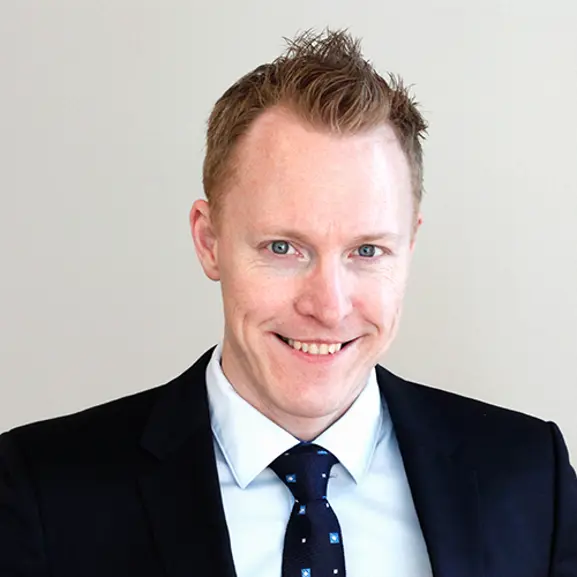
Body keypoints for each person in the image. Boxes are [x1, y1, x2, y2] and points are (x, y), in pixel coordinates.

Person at [1, 29, 576, 577]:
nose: (328, 307)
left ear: (409, 248)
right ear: (209, 241)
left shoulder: (530, 477)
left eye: (367, 251)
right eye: (283, 248)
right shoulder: (43, 494)